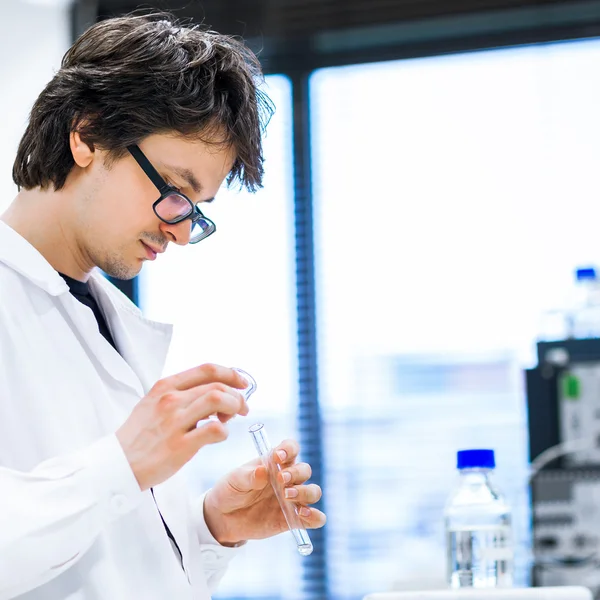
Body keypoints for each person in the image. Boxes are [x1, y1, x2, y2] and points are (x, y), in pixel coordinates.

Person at [0, 12, 326, 600]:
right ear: (87, 135)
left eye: (196, 210)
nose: (179, 232)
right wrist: (122, 464)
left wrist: (209, 529)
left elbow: (110, 563)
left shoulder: (109, 322)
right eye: (176, 192)